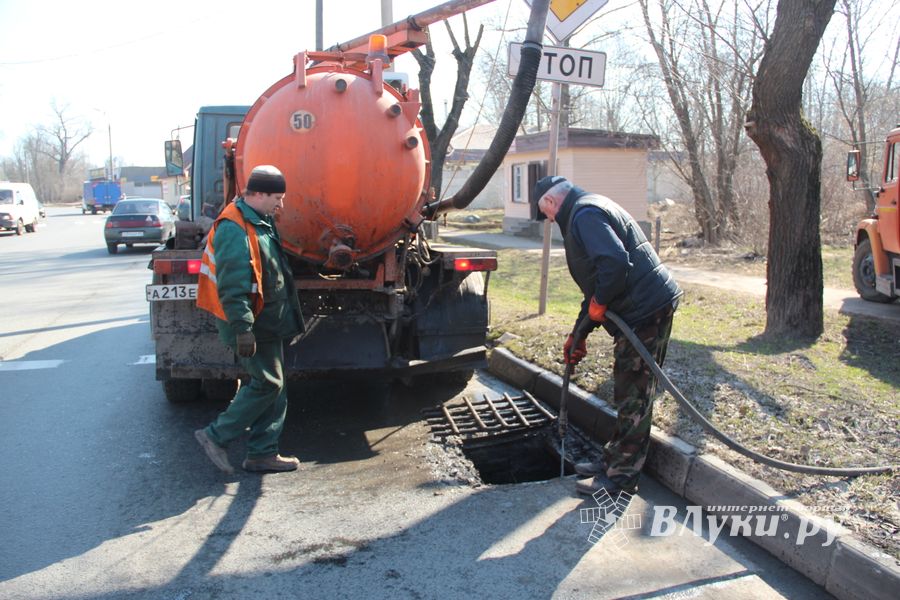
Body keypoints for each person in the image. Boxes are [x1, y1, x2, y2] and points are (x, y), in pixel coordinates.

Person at [533, 175, 683, 497]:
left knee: (634, 396)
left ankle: (621, 478)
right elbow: (595, 286)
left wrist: (600, 303)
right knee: (629, 392)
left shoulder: (584, 215)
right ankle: (613, 462)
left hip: (645, 313)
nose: (546, 218)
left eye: (543, 211)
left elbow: (614, 264)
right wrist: (579, 334)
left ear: (549, 202)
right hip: (643, 309)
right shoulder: (587, 209)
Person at [194, 165, 305, 474]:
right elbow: (233, 285)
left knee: (276, 386)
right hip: (251, 323)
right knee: (267, 383)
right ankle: (216, 435)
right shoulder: (234, 227)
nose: (280, 205)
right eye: (277, 198)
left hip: (267, 321)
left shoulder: (260, 221)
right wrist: (243, 329)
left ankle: (262, 452)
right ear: (257, 194)